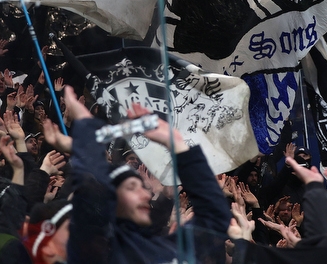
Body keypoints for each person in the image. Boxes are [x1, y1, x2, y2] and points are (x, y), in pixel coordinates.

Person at [65, 86, 231, 264]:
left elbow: (217, 216)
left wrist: (176, 144)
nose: (146, 194)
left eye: (141, 187)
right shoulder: (105, 256)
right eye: (131, 187)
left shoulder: (162, 249)